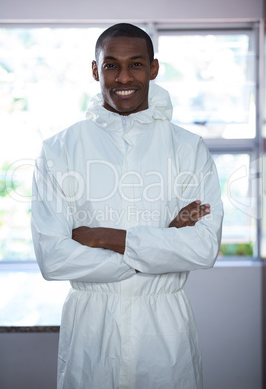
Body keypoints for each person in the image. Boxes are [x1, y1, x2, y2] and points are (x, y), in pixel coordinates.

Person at [31, 23, 223, 389]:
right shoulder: (59, 150)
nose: (123, 77)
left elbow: (202, 249)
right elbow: (53, 258)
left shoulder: (188, 148)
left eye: (136, 64)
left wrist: (103, 236)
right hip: (91, 331)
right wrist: (163, 242)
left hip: (164, 333)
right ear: (94, 70)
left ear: (153, 68)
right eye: (110, 65)